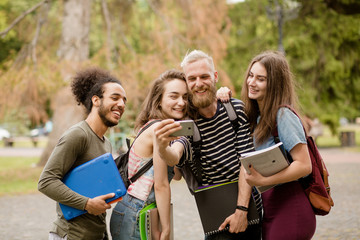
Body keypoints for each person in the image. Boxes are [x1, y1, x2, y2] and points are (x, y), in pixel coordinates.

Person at [155, 50, 262, 240]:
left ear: (215, 77)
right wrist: (163, 148)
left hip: (249, 210)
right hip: (216, 218)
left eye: (204, 76)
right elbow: (176, 154)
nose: (198, 83)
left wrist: (241, 210)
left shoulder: (236, 110)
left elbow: (247, 163)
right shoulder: (186, 122)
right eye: (192, 78)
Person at [38, 67, 127, 240]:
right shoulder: (78, 135)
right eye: (115, 98)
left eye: (124, 100)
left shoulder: (106, 143)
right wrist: (87, 204)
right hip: (71, 235)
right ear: (96, 100)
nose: (121, 104)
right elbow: (46, 181)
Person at [240, 50, 316, 240]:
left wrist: (263, 181)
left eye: (260, 79)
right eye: (251, 75)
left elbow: (304, 165)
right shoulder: (258, 117)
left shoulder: (283, 116)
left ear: (274, 84)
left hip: (291, 207)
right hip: (272, 207)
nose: (251, 82)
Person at [109, 69, 189, 240]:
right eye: (173, 96)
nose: (181, 102)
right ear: (158, 101)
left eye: (185, 97)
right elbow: (160, 184)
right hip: (137, 213)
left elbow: (174, 176)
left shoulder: (154, 125)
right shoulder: (158, 130)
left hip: (131, 209)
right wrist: (166, 228)